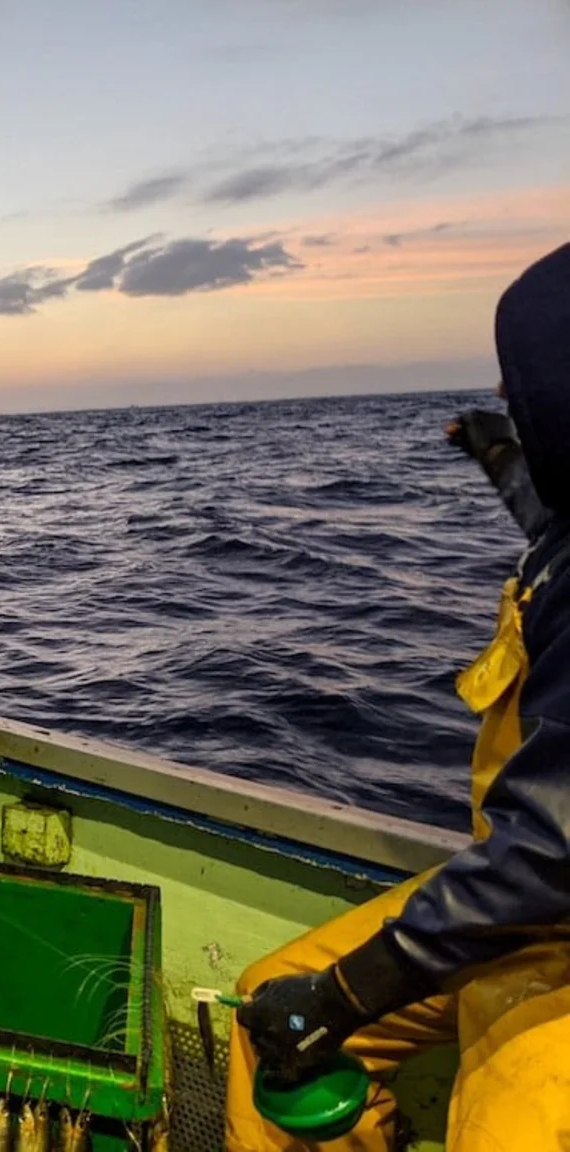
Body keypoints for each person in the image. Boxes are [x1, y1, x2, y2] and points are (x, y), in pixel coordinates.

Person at [224, 240, 570, 1151]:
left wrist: (343, 996)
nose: (506, 396)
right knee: (265, 1020)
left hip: (540, 894)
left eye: (520, 380)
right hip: (525, 910)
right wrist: (505, 464)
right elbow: (552, 526)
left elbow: (559, 846)